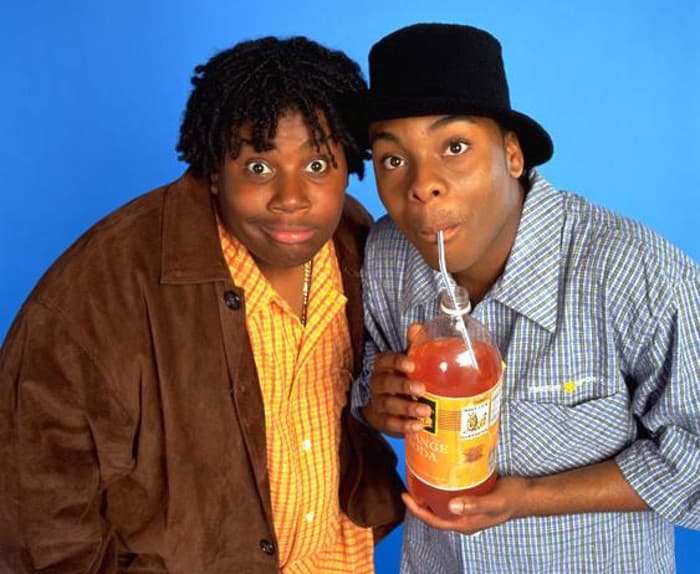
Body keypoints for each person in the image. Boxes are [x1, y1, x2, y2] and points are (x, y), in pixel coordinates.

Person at [0, 35, 404, 573]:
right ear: (214, 170)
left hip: (337, 557)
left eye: (317, 165)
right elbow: (36, 506)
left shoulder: (354, 238)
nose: (291, 198)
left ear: (348, 164)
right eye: (258, 167)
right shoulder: (96, 293)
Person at [354, 22, 700, 573]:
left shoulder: (636, 272)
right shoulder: (385, 256)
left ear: (512, 154)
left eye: (455, 146)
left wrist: (528, 498)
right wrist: (376, 402)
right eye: (393, 159)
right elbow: (360, 374)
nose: (421, 184)